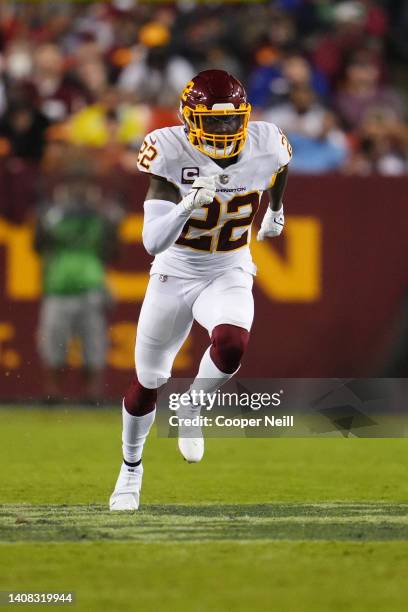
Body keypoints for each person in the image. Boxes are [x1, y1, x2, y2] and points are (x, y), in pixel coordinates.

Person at [109, 69, 292, 511]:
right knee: (149, 379)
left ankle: (192, 406)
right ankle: (130, 470)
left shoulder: (267, 141)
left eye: (233, 120)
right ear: (189, 119)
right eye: (215, 121)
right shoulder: (168, 150)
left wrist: (277, 209)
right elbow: (153, 242)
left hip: (229, 267)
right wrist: (187, 204)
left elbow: (281, 167)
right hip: (175, 271)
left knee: (231, 344)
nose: (226, 129)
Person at [35, 163, 123, 403]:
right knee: (53, 343)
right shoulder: (52, 214)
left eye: (83, 185)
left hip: (91, 285)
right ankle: (52, 395)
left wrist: (108, 218)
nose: (78, 190)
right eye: (74, 185)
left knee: (93, 343)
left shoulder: (101, 214)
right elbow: (39, 245)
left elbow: (113, 250)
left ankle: (92, 395)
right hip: (58, 285)